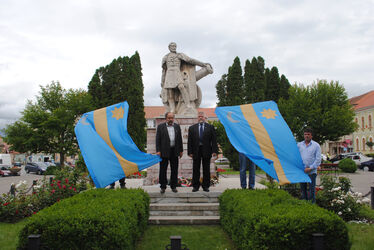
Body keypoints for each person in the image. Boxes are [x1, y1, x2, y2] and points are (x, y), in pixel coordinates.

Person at [161, 42, 211, 114]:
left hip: (177, 72)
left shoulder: (179, 55)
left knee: (181, 87)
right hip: (169, 74)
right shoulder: (165, 57)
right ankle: (172, 109)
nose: (173, 47)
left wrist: (202, 64)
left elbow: (190, 60)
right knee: (170, 93)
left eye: (175, 46)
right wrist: (162, 82)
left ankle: (188, 105)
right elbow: (164, 71)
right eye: (172, 46)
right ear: (169, 47)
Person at [188, 112, 218, 192]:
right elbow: (189, 141)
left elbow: (214, 140)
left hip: (207, 150)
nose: (200, 118)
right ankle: (195, 186)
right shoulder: (192, 128)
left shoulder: (210, 127)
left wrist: (214, 151)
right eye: (199, 116)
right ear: (197, 118)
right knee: (196, 169)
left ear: (205, 118)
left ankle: (206, 186)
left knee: (206, 169)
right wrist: (190, 152)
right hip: (195, 151)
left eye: (202, 116)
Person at [156, 112, 183, 193]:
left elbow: (179, 139)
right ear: (166, 118)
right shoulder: (161, 127)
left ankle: (173, 186)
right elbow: (158, 140)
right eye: (169, 118)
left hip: (174, 151)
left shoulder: (177, 126)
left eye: (172, 118)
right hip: (164, 151)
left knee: (174, 169)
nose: (170, 119)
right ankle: (163, 186)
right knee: (163, 169)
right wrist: (158, 151)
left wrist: (181, 150)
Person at [297, 127, 321, 203]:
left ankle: (311, 204)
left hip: (311, 172)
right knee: (303, 189)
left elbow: (318, 160)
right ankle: (304, 204)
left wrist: (310, 168)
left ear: (311, 136)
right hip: (302, 171)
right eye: (305, 134)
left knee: (311, 190)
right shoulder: (299, 145)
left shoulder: (316, 146)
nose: (306, 136)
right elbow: (296, 156)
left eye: (308, 134)